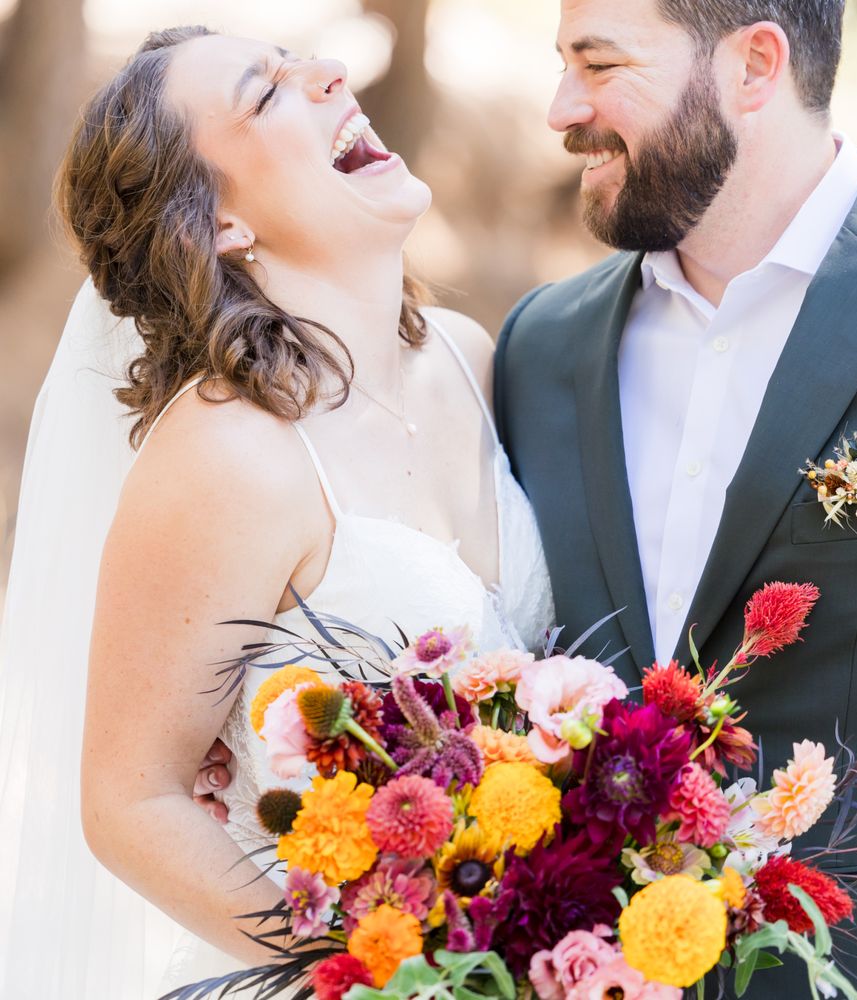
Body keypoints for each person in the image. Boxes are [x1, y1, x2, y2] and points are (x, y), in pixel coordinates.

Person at [0, 25, 553, 998]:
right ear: (218, 224)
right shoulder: (230, 453)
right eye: (267, 94)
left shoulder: (468, 360)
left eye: (303, 61)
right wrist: (369, 967)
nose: (331, 73)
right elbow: (128, 799)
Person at [494, 0, 857, 997]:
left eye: (598, 65)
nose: (560, 108)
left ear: (754, 65)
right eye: (561, 64)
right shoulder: (537, 348)